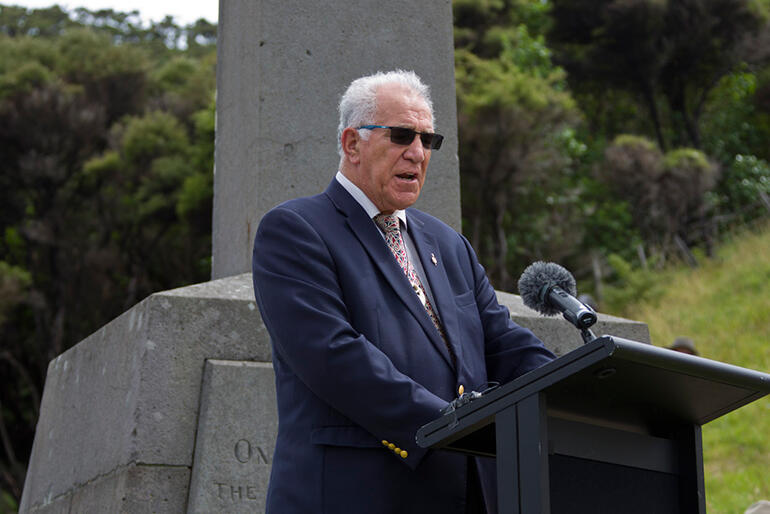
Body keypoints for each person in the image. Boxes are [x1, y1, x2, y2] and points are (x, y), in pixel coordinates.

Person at [251, 70, 556, 514]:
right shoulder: (296, 230)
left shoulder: (448, 244)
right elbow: (335, 357)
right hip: (356, 494)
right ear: (352, 144)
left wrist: (567, 399)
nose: (417, 153)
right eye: (400, 136)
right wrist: (455, 426)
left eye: (427, 140)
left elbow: (504, 343)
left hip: (467, 492)